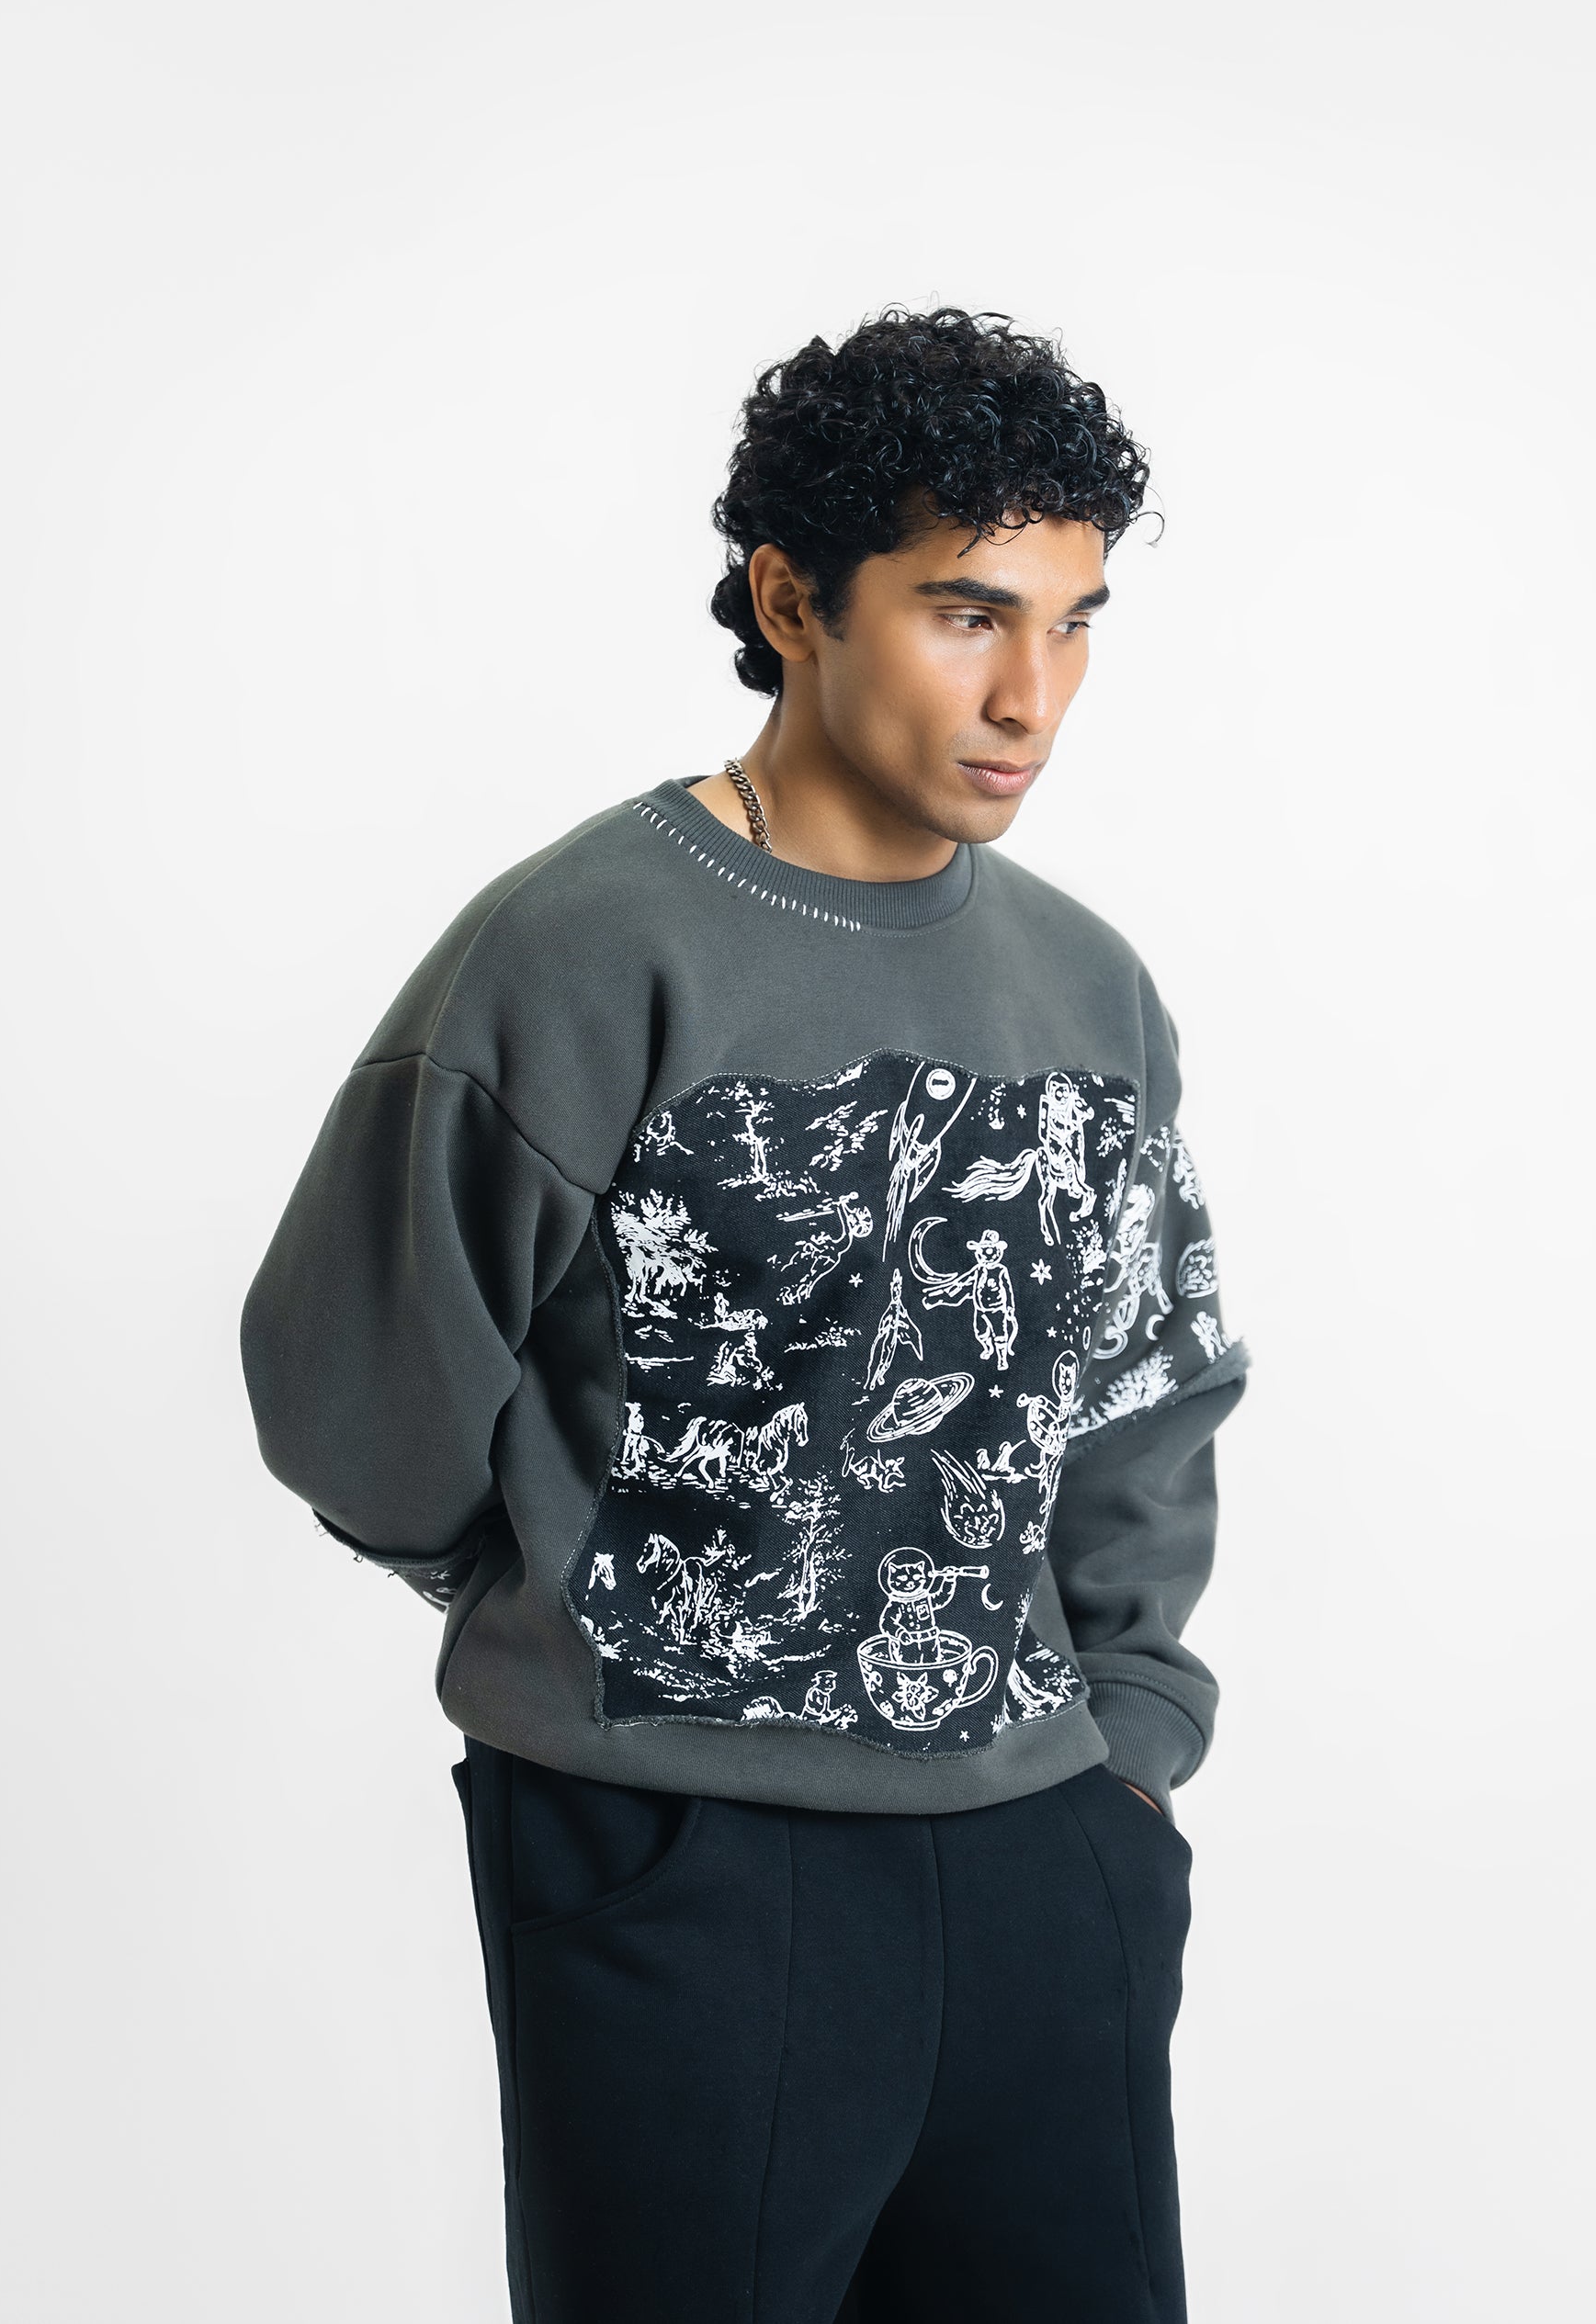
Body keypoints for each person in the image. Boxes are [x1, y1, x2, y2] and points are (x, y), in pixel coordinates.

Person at [241, 305, 1251, 2323]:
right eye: (967, 614)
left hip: (1045, 1856)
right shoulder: (584, 947)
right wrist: (552, 1607)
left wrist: (1129, 1752)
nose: (1031, 696)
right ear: (794, 601)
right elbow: (351, 1381)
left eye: (1074, 626)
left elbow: (1148, 1391)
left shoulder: (1088, 983)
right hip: (682, 1861)